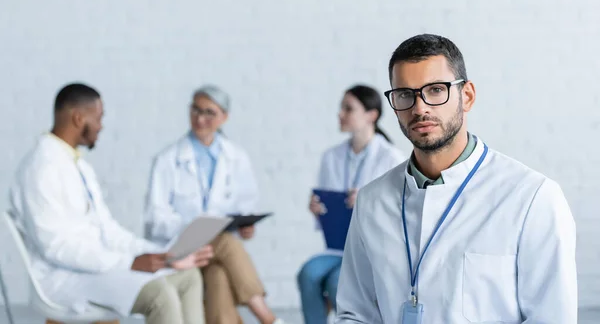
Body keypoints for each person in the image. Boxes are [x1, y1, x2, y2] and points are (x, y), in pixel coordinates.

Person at [335, 34, 577, 323]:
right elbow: (355, 313)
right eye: (404, 94)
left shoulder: (532, 197)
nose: (420, 108)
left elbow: (552, 318)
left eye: (436, 90)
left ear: (468, 96)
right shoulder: (372, 201)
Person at [9, 83, 213, 324]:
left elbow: (109, 230)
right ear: (78, 118)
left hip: (97, 267)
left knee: (188, 276)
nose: (101, 126)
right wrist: (128, 263)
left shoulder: (78, 165)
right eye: (98, 118)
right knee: (159, 294)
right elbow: (56, 247)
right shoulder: (41, 167)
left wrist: (159, 254)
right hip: (64, 279)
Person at [144, 85, 285, 324]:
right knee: (223, 241)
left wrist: (246, 227)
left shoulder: (236, 157)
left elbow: (245, 205)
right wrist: (195, 228)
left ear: (224, 117)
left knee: (218, 277)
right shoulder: (167, 160)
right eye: (195, 110)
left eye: (209, 112)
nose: (200, 119)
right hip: (179, 248)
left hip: (215, 256)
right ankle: (268, 318)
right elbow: (154, 220)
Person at [297, 85, 406, 324]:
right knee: (307, 274)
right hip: (338, 247)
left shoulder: (392, 159)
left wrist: (369, 202)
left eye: (349, 108)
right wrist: (317, 210)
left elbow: (403, 215)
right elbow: (325, 211)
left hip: (372, 251)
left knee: (339, 282)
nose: (341, 114)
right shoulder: (331, 157)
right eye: (341, 108)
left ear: (372, 115)